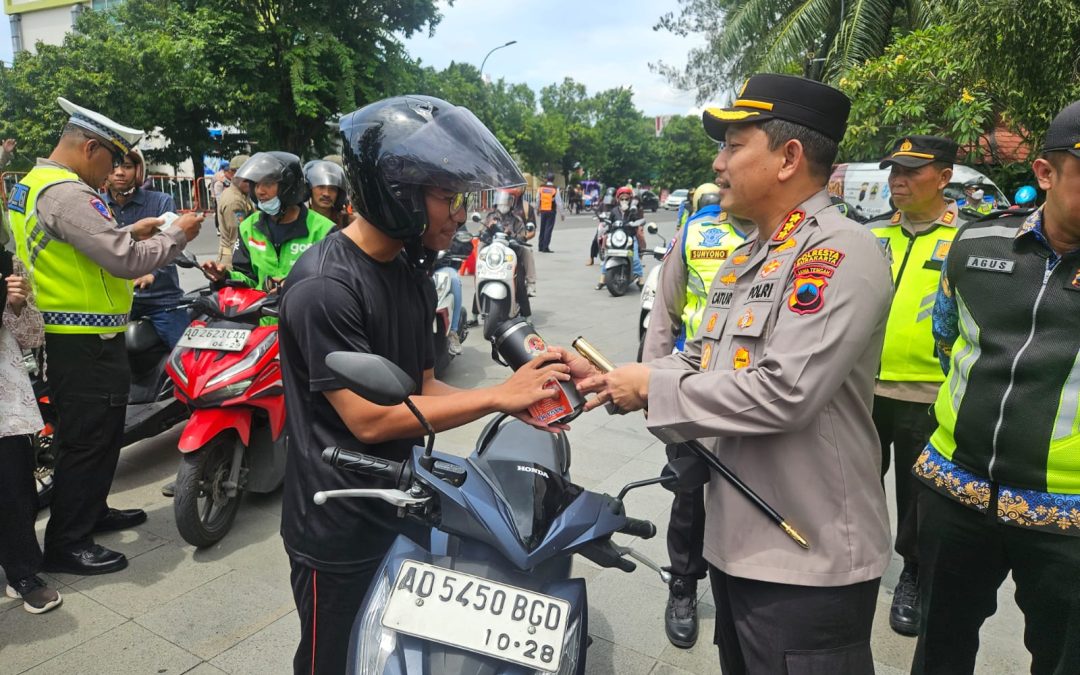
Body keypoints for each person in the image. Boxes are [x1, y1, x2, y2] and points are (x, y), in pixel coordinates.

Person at [572, 74, 893, 673]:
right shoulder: (748, 255)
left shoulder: (841, 251)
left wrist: (650, 387)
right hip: (738, 540)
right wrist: (612, 377)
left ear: (788, 157)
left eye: (733, 145)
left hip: (805, 555)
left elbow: (785, 391)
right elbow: (702, 359)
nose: (717, 163)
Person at [277, 94, 572, 674]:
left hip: (401, 501)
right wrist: (494, 397)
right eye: (447, 198)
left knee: (388, 654)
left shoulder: (409, 272)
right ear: (399, 191)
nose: (459, 214)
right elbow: (367, 417)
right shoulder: (324, 286)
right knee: (329, 661)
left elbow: (425, 386)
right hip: (337, 517)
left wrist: (522, 397)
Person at [912, 99, 1080, 675]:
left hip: (1070, 516)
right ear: (1045, 172)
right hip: (956, 491)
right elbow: (946, 341)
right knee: (939, 647)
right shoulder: (975, 244)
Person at [6, 97, 203, 575]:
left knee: (98, 435)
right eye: (111, 159)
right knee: (89, 439)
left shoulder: (35, 184)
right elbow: (124, 261)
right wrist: (177, 236)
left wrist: (131, 229)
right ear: (90, 147)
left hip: (75, 337)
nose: (114, 171)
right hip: (84, 342)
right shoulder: (68, 193)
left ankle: (90, 511)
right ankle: (68, 542)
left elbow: (77, 244)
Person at [865, 135, 967, 637]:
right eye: (893, 171)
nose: (897, 181)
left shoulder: (968, 240)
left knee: (917, 498)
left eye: (910, 172)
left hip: (926, 395)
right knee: (852, 486)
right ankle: (853, 567)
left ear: (944, 177)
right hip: (861, 388)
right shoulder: (872, 234)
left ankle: (913, 573)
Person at [640, 181, 748, 648]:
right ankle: (683, 583)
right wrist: (650, 384)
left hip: (754, 390)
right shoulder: (697, 232)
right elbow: (664, 313)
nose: (724, 169)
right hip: (692, 379)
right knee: (687, 490)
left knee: (752, 493)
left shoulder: (798, 236)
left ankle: (742, 591)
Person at [0, 251, 62, 614]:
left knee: (14, 488)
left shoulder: (9, 265)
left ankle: (22, 573)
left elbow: (34, 334)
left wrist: (18, 305)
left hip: (4, 403)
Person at [201, 152, 334, 294]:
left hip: (304, 314)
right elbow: (248, 278)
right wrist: (224, 277)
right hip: (262, 315)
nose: (259, 191)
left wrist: (294, 287)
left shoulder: (325, 230)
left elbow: (334, 284)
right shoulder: (249, 227)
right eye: (255, 184)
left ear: (289, 186)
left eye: (268, 183)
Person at [103, 149, 189, 348]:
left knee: (186, 357)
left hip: (161, 299)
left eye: (127, 166)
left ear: (138, 171)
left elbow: (172, 245)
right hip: (114, 302)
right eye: (114, 166)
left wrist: (152, 274)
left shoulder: (161, 201)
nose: (119, 172)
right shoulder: (95, 204)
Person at [484, 188, 537, 296]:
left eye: (506, 201)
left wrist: (511, 234)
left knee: (527, 250)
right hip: (493, 247)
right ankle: (479, 273)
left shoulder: (516, 219)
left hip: (510, 247)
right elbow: (481, 231)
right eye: (501, 200)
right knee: (480, 246)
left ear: (511, 203)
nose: (503, 204)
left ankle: (531, 284)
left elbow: (522, 236)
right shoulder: (490, 217)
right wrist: (487, 229)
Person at [594, 186, 646, 290]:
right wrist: (605, 224)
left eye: (627, 199)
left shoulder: (633, 211)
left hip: (629, 237)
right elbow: (608, 222)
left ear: (630, 199)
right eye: (622, 199)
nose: (624, 201)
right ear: (618, 199)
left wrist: (635, 223)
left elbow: (639, 221)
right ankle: (602, 279)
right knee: (607, 257)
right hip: (616, 238)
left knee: (635, 259)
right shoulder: (614, 211)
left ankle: (641, 279)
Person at [214, 154, 252, 268]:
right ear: (232, 174)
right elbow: (237, 238)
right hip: (233, 261)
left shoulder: (242, 195)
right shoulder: (234, 201)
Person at [303, 159, 352, 231]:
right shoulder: (298, 220)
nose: (327, 193)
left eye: (332, 189)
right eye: (321, 187)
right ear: (309, 189)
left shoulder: (348, 222)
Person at [536, 172, 563, 252]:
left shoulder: (541, 188)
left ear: (546, 179)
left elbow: (538, 199)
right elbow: (559, 202)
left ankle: (540, 246)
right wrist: (562, 214)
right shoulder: (555, 189)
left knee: (542, 228)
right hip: (551, 211)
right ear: (553, 179)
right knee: (548, 229)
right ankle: (545, 247)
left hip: (543, 211)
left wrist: (537, 209)